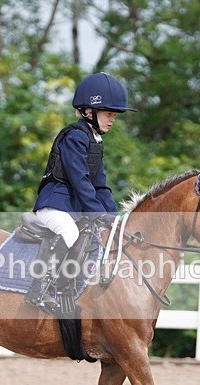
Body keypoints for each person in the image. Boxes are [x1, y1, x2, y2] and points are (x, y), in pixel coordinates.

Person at [25, 72, 137, 310]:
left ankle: (68, 288)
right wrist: (99, 214)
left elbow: (101, 185)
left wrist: (115, 218)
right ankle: (40, 291)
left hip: (73, 208)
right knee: (68, 231)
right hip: (54, 204)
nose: (113, 120)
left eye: (114, 115)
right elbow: (81, 182)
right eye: (109, 114)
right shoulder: (75, 136)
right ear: (89, 111)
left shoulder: (95, 140)